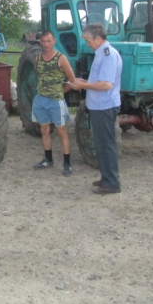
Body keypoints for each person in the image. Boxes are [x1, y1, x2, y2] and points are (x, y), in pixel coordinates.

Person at [71, 23, 123, 194]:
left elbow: (106, 84)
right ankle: (106, 177)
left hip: (104, 106)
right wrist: (85, 82)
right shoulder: (101, 54)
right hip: (99, 106)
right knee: (100, 144)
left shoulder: (107, 55)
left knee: (106, 144)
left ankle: (112, 183)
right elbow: (99, 80)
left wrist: (84, 87)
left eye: (89, 40)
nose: (87, 44)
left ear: (99, 38)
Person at [32, 31, 78, 176]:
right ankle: (48, 159)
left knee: (61, 131)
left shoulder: (61, 58)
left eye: (48, 41)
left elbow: (72, 79)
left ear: (54, 41)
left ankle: (67, 164)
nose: (46, 44)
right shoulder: (37, 58)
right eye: (43, 41)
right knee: (44, 130)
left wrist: (60, 92)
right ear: (40, 42)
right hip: (40, 99)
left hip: (56, 101)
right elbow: (39, 76)